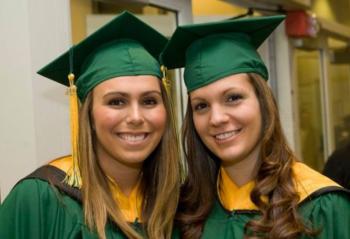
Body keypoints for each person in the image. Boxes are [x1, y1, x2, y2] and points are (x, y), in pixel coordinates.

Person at [161, 15, 350, 238]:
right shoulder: (184, 212)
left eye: (233, 98)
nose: (217, 118)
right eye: (201, 105)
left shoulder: (321, 207)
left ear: (263, 101)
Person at [0, 11, 181, 239]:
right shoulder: (40, 198)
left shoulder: (176, 205)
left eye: (149, 101)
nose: (136, 116)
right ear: (88, 115)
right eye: (116, 101)